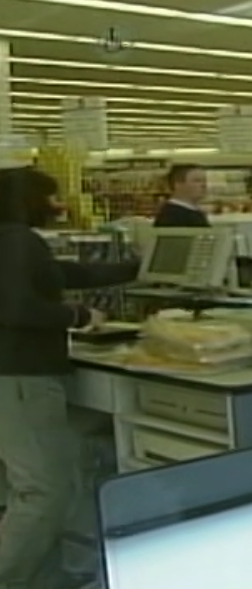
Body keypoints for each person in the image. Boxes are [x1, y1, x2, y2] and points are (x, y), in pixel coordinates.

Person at [0, 167, 140, 589]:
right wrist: (79, 316)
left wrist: (137, 266)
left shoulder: (10, 241)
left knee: (25, 483)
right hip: (20, 375)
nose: (59, 205)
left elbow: (66, 275)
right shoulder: (20, 240)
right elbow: (17, 309)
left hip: (9, 375)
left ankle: (44, 575)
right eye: (52, 197)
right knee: (44, 491)